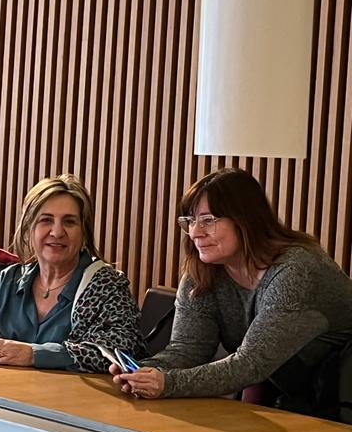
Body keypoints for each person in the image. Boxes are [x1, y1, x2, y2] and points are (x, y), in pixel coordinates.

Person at [114, 168, 352, 419]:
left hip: (341, 401)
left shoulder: (297, 271)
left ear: (245, 220)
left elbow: (250, 364)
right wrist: (141, 372)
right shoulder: (203, 272)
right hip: (295, 394)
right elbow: (188, 350)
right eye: (191, 221)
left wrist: (167, 383)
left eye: (208, 220)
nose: (195, 232)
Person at [0, 175, 143, 371]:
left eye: (69, 222)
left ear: (84, 232)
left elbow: (118, 351)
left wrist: (32, 354)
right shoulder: (12, 280)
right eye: (46, 220)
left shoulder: (107, 286)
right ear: (29, 228)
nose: (57, 232)